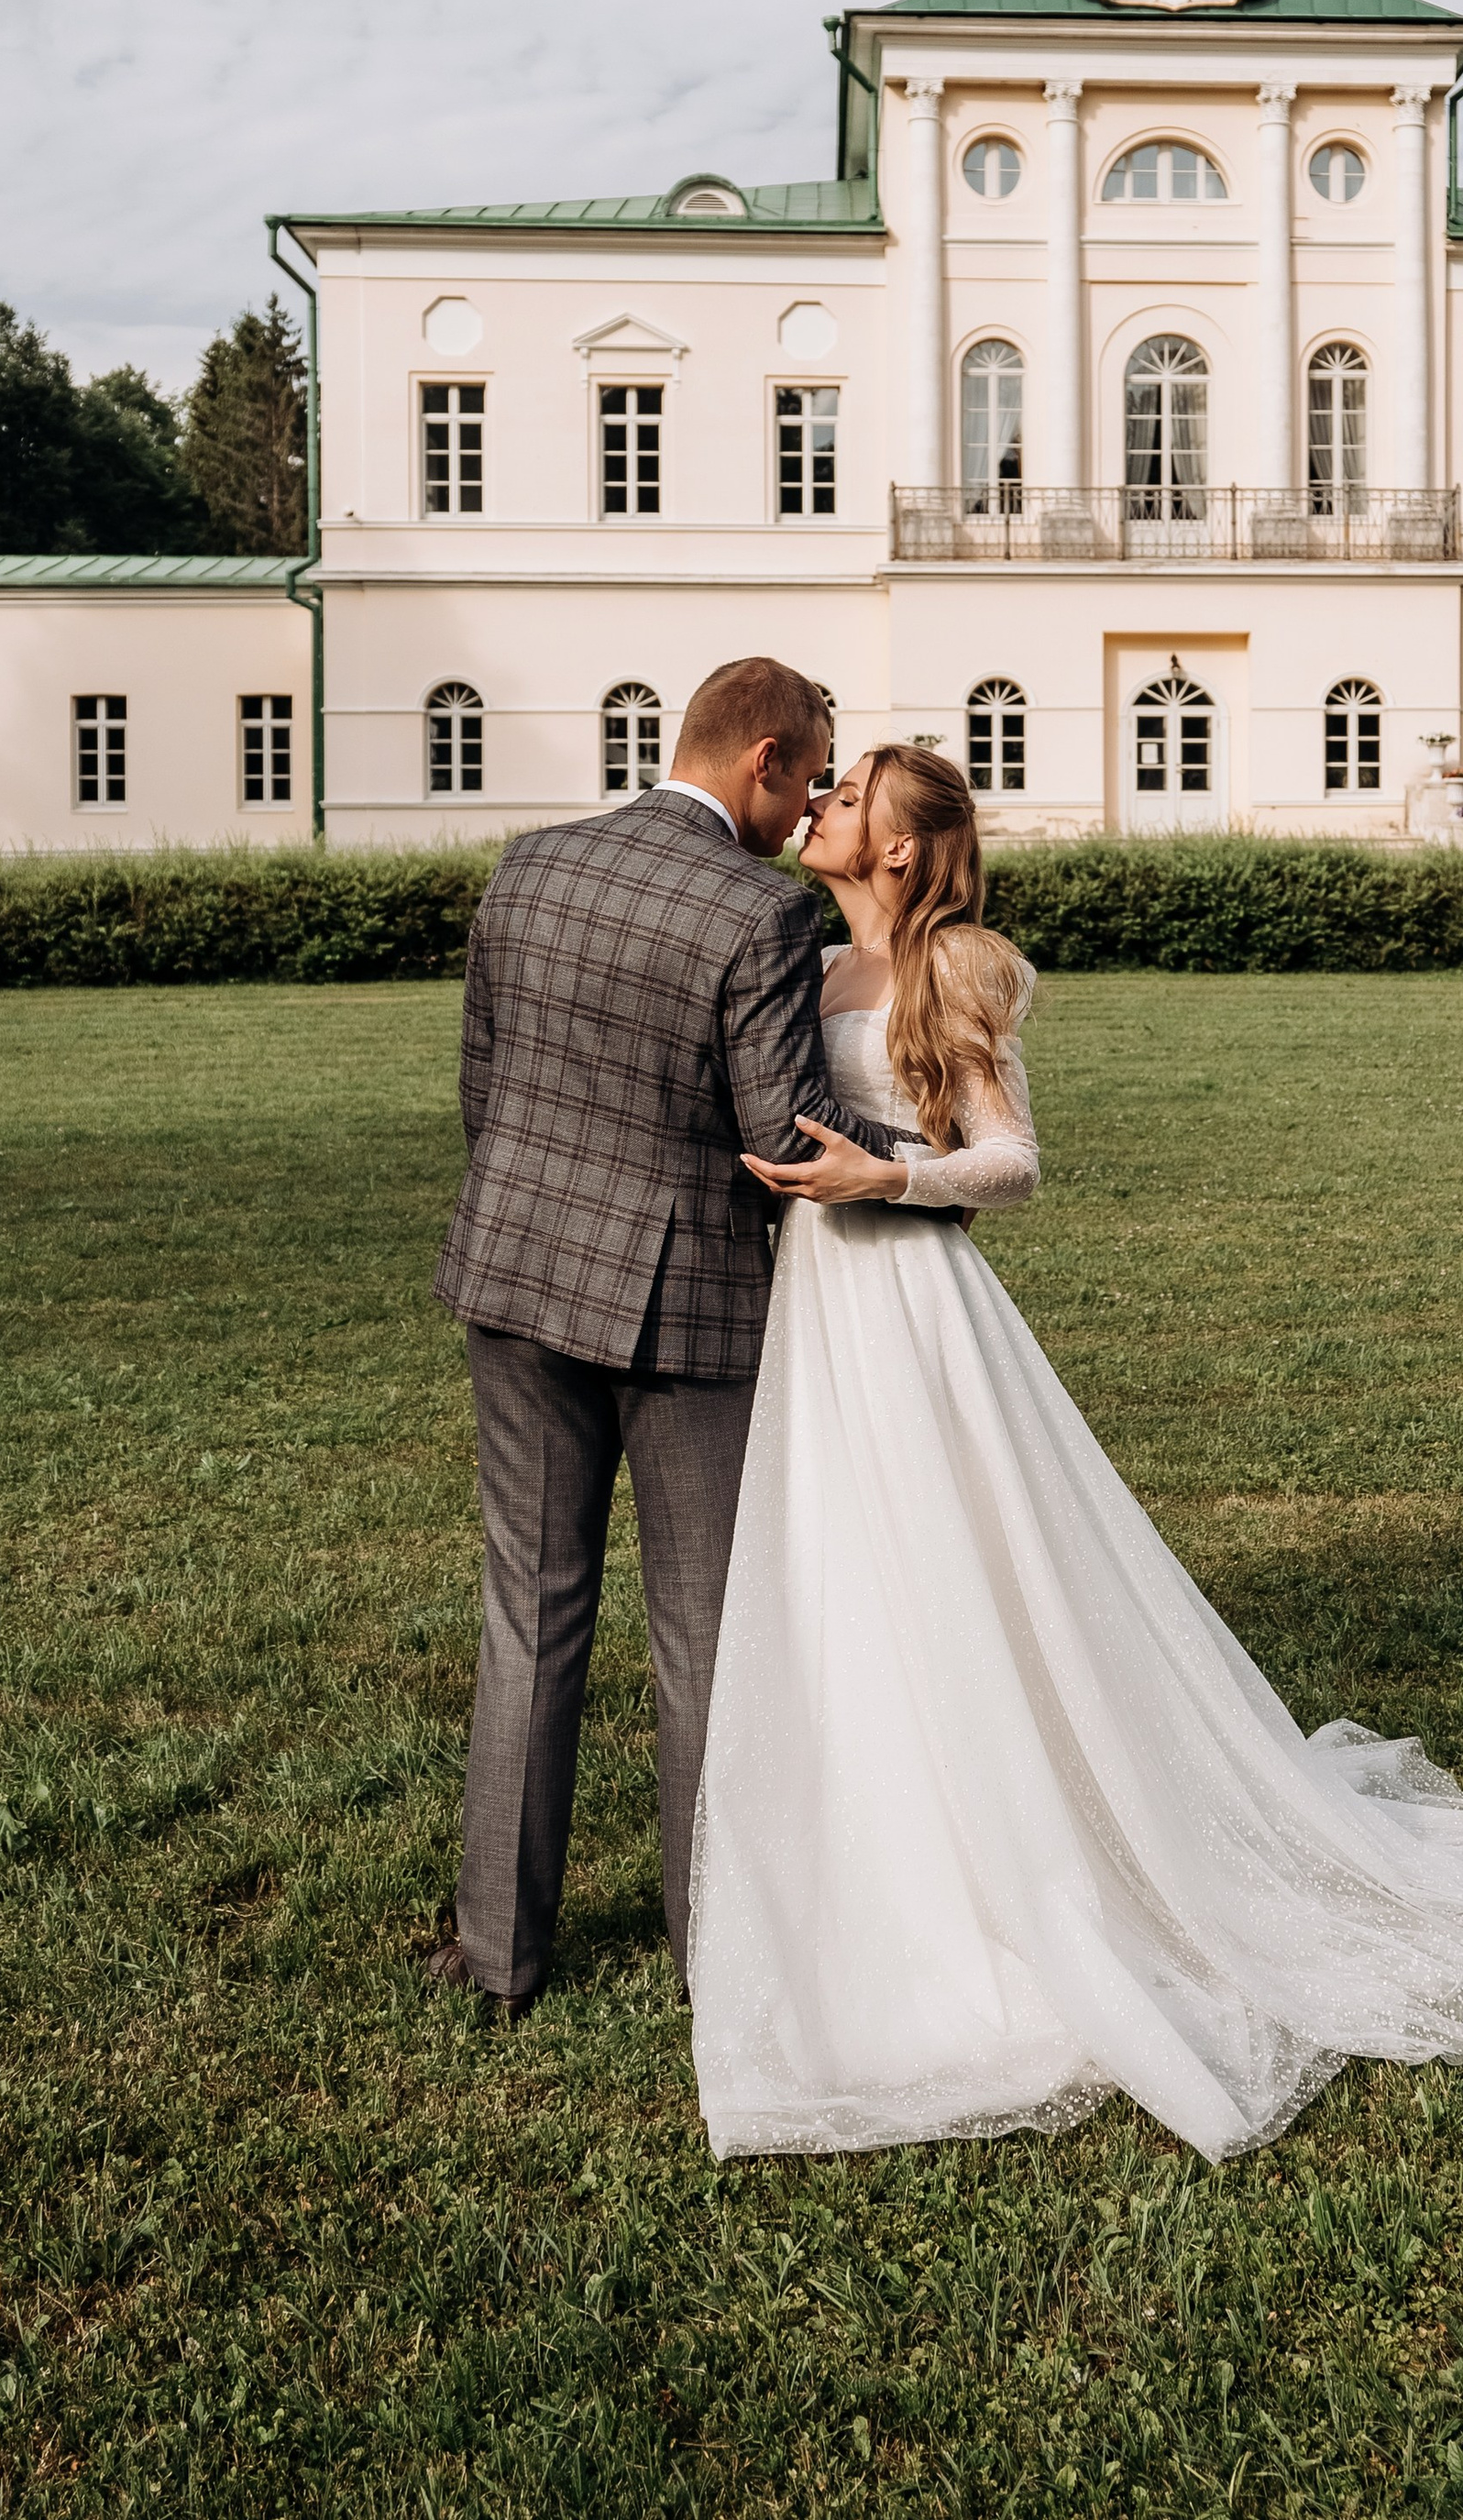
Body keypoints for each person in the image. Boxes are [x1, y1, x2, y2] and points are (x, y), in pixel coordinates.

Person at [689, 743, 1463, 2162]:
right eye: (823, 792)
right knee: (845, 1571)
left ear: (900, 850)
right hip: (813, 1309)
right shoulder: (806, 968)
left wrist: (886, 1175)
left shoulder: (958, 967)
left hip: (910, 1299)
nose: (822, 809)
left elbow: (1015, 1160)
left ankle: (1023, 1864)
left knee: (958, 1561)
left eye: (848, 803)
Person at [425, 655, 913, 2019]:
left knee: (529, 1614)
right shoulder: (755, 914)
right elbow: (785, 1135)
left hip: (511, 1280)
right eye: (812, 775)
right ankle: (718, 1954)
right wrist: (928, 1161)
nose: (812, 802)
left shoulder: (529, 862)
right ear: (762, 758)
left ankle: (500, 1958)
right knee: (704, 1639)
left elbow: (483, 1081)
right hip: (681, 1309)